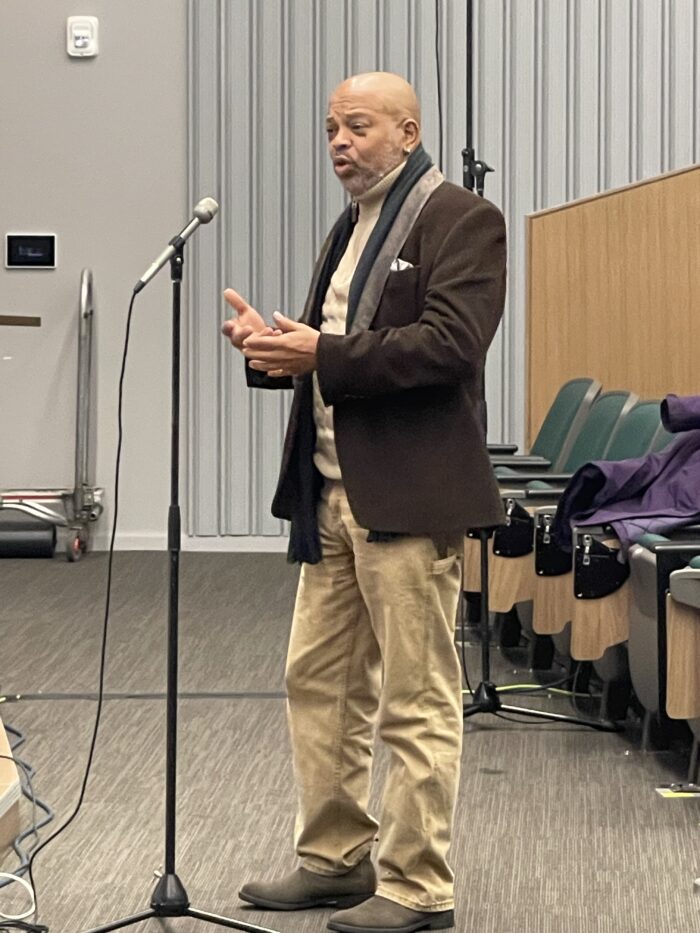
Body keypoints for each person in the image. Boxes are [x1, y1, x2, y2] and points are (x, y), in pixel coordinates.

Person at [222, 71, 506, 933]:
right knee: (320, 682)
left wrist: (324, 353)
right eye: (331, 130)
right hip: (331, 494)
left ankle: (419, 886)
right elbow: (334, 350)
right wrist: (274, 348)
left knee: (414, 698)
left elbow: (450, 345)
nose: (339, 143)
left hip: (408, 498)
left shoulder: (462, 218)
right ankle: (335, 858)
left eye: (357, 127)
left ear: (407, 131)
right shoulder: (352, 224)